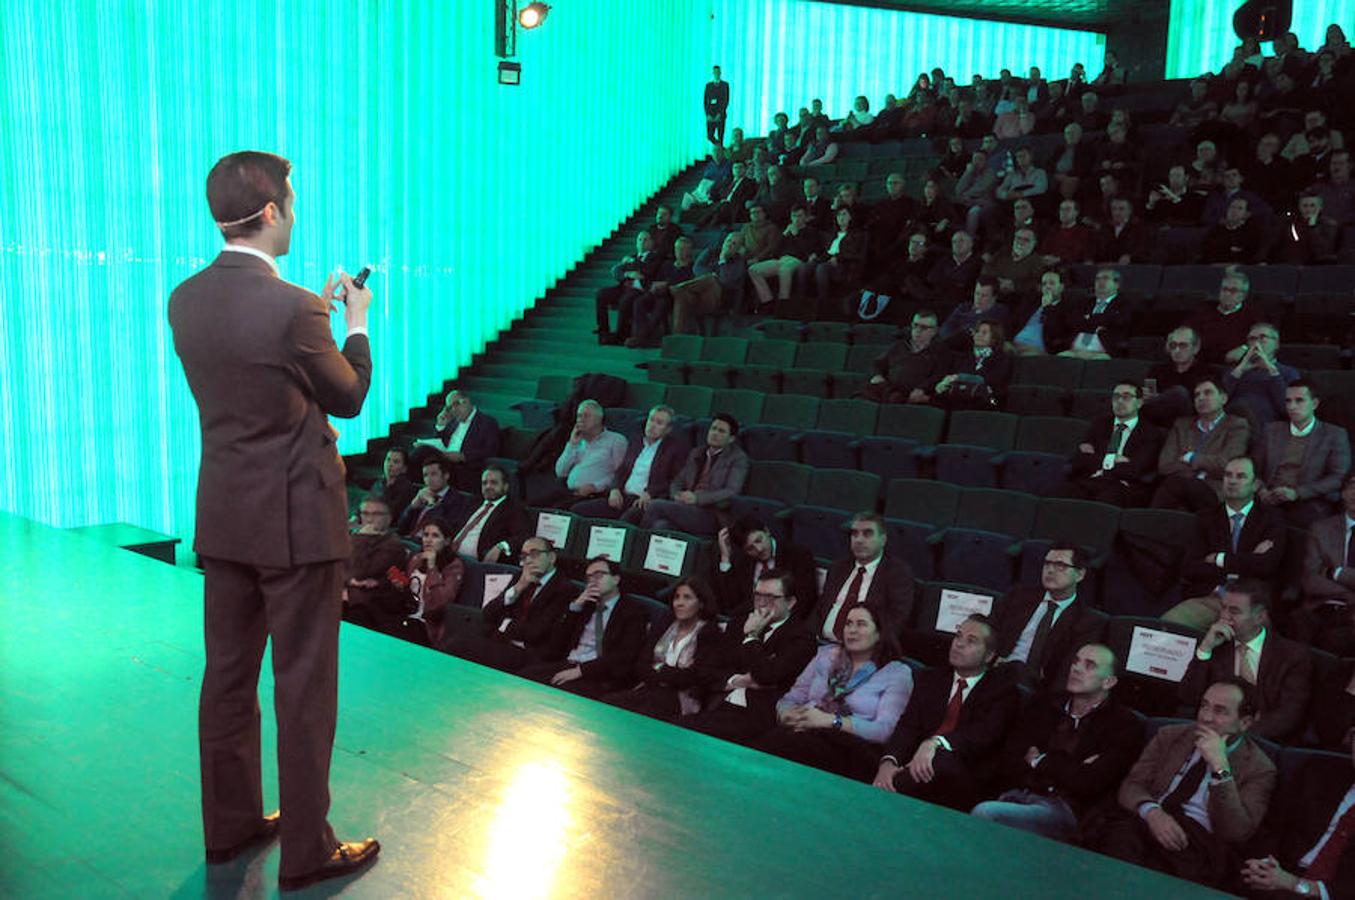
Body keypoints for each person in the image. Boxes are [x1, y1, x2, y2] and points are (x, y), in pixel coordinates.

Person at [168, 151, 378, 887]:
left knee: (226, 677)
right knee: (303, 687)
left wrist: (315, 323)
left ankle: (228, 829)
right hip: (296, 524)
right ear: (268, 214)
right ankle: (307, 851)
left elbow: (262, 384)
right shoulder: (296, 308)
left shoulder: (184, 298)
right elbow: (347, 397)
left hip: (225, 516)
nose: (295, 210)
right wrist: (351, 323)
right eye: (290, 201)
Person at [1088, 678, 1276, 888]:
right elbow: (1131, 786)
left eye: (1220, 711)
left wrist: (1220, 767)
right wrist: (1153, 813)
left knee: (1164, 870)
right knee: (1116, 840)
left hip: (1198, 843)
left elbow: (1236, 832)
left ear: (1245, 722)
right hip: (1147, 821)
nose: (1205, 717)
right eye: (1204, 706)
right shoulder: (1170, 736)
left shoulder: (1260, 768)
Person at [971, 644, 1144, 842]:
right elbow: (1010, 758)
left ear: (1109, 682)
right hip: (1018, 792)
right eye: (1075, 662)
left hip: (1065, 809)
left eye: (1089, 666)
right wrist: (1074, 768)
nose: (1076, 669)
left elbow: (1090, 783)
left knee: (985, 813)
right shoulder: (1043, 703)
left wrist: (1039, 761)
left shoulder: (1124, 725)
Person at [873, 615, 1020, 811]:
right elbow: (907, 726)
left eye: (971, 641)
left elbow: (979, 737)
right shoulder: (929, 679)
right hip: (915, 765)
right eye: (958, 636)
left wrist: (934, 743)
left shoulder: (1003, 692)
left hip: (964, 776)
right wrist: (888, 763)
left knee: (939, 759)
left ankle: (878, 799)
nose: (959, 644)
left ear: (989, 656)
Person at [760, 604, 914, 781]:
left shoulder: (896, 672)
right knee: (768, 741)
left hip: (853, 747)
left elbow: (885, 730)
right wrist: (785, 713)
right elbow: (792, 698)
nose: (852, 630)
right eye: (848, 623)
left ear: (880, 633)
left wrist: (831, 721)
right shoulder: (825, 655)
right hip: (805, 731)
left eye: (861, 624)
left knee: (788, 747)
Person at [685, 569, 816, 743]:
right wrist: (736, 680)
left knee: (696, 736)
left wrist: (752, 636)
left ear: (790, 602)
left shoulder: (801, 638)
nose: (761, 604)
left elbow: (766, 675)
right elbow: (706, 669)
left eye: (770, 598)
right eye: (757, 596)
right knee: (675, 729)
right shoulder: (739, 622)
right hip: (719, 702)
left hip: (756, 715)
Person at [1176, 580, 1312, 744]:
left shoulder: (1292, 655)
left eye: (1234, 611)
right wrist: (1205, 650)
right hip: (1212, 736)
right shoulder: (1215, 646)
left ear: (1260, 617)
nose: (1225, 617)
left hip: (1264, 744)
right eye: (1223, 608)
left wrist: (1241, 739)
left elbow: (1289, 715)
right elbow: (1188, 696)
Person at [1162, 458, 1287, 630]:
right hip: (1211, 597)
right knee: (1166, 627)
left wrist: (1219, 559)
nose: (1232, 481)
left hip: (1249, 603)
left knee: (1253, 642)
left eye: (1241, 476)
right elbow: (1190, 568)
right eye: (1228, 475)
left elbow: (1266, 566)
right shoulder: (1205, 517)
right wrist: (1249, 559)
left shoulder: (1271, 519)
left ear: (1256, 484)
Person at [1239, 738, 1355, 899]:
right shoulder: (1319, 770)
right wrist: (1265, 867)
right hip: (1280, 872)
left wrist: (1295, 884)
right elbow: (1272, 826)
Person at [520, 556, 649, 698]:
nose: (592, 581)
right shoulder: (585, 605)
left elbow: (623, 655)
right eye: (589, 577)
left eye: (598, 575)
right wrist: (575, 607)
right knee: (526, 676)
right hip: (570, 663)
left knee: (560, 693)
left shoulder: (633, 611)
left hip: (600, 673)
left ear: (616, 579)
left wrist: (581, 671)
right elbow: (557, 642)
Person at [444, 536, 574, 671]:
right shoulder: (521, 577)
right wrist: (518, 588)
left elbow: (537, 632)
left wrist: (505, 624)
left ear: (552, 557)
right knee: (455, 643)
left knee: (460, 647)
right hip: (503, 643)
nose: (528, 560)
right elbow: (488, 613)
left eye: (534, 554)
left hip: (530, 654)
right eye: (524, 556)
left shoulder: (564, 589)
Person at [604, 578, 723, 720]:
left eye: (687, 598)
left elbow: (692, 677)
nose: (679, 603)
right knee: (608, 704)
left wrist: (659, 667)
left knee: (642, 715)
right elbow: (641, 665)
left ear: (701, 603)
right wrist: (670, 673)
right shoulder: (666, 623)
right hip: (650, 688)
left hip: (681, 700)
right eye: (677, 597)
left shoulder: (709, 632)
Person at [992, 545, 1107, 690]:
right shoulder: (1018, 596)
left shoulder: (1087, 621)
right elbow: (990, 631)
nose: (1050, 570)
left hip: (1040, 689)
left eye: (1060, 565)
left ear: (1080, 574)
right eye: (1047, 564)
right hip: (997, 674)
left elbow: (1068, 670)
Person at [1255, 381, 1352, 527]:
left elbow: (1338, 477)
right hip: (1269, 497)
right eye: (1288, 401)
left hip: (1309, 500)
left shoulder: (1334, 435)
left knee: (1292, 522)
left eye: (1299, 400)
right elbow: (1253, 467)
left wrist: (1297, 493)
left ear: (1314, 404)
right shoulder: (1271, 430)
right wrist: (1262, 491)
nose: (1292, 406)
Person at [810, 512, 915, 644]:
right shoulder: (839, 567)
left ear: (883, 539)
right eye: (854, 534)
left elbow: (896, 622)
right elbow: (820, 608)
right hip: (820, 644)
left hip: (862, 651)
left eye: (867, 534)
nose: (859, 540)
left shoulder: (897, 573)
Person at [572, 405, 688, 523]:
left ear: (668, 429)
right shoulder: (636, 441)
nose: (652, 425)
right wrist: (615, 489)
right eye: (651, 420)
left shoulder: (674, 449)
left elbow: (673, 481)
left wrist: (651, 493)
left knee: (624, 523)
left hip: (644, 501)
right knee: (578, 510)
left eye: (659, 423)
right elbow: (622, 470)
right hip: (623, 496)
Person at [639, 414, 748, 536]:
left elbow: (731, 491)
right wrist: (677, 495)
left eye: (721, 431)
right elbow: (677, 481)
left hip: (712, 514)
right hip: (685, 507)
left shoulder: (738, 458)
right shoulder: (697, 452)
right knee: (661, 526)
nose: (715, 433)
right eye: (713, 428)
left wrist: (697, 498)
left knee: (655, 505)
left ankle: (637, 546)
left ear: (731, 438)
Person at [1152, 379, 1251, 512]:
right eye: (1197, 395)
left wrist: (1191, 458)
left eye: (1207, 393)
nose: (1201, 398)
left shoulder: (1236, 426)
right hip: (1178, 487)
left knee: (1172, 488)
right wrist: (1204, 466)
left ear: (1223, 398)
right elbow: (1165, 465)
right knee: (1174, 491)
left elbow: (1227, 464)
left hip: (1212, 490)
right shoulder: (1182, 425)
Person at [1061, 384, 1165, 507]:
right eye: (1116, 397)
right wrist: (1112, 459)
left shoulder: (1151, 433)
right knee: (1060, 494)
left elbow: (1134, 471)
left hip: (1122, 486)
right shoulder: (1100, 424)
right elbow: (1080, 460)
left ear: (1139, 403)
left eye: (1126, 397)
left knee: (1105, 501)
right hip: (1091, 480)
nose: (1119, 401)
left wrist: (1098, 460)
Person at [711, 515, 818, 619]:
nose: (759, 549)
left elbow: (805, 599)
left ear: (767, 531)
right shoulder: (743, 561)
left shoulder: (798, 555)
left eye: (759, 540)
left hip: (785, 622)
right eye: (750, 548)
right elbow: (731, 602)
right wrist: (725, 557)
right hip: (750, 620)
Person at [1294, 472, 1355, 654]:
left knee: (1337, 641)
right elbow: (1310, 579)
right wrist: (1347, 593)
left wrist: (1333, 573)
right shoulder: (1321, 528)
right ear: (1343, 493)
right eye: (1352, 486)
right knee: (1295, 626)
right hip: (1321, 605)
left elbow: (1321, 574)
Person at [342, 496, 409, 636]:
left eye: (376, 514)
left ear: (389, 518)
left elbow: (361, 572)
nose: (369, 519)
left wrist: (361, 537)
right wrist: (349, 581)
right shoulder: (355, 539)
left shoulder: (393, 545)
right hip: (354, 595)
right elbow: (339, 569)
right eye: (365, 513)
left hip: (377, 605)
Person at [409, 390, 501, 491]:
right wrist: (440, 426)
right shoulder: (453, 422)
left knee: (421, 452)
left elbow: (491, 450)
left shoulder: (486, 422)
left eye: (456, 404)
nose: (453, 410)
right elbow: (439, 442)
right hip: (444, 459)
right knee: (421, 452)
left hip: (462, 466)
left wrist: (463, 456)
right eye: (450, 408)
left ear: (466, 402)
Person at [545, 399, 628, 507]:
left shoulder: (616, 440)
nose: (581, 420)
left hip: (596, 494)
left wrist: (595, 487)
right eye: (579, 416)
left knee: (562, 510)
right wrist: (572, 444)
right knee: (537, 504)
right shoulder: (577, 441)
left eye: (586, 416)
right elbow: (561, 472)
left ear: (599, 419)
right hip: (569, 492)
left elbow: (620, 474)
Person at [441, 464, 530, 563]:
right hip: (448, 555)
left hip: (475, 563)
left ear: (505, 486)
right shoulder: (473, 502)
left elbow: (522, 536)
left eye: (494, 483)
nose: (488, 486)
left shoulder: (513, 508)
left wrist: (501, 547)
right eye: (484, 483)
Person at [401, 519, 465, 648]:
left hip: (427, 625)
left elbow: (440, 603)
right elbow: (408, 589)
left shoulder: (454, 566)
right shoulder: (417, 558)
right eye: (426, 535)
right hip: (407, 615)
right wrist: (400, 585)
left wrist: (432, 567)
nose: (428, 540)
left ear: (446, 541)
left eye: (435, 536)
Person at [1222, 324, 1301, 427]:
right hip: (1232, 426)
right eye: (1252, 339)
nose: (1256, 342)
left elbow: (1287, 408)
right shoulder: (1235, 371)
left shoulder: (1288, 372)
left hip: (1267, 427)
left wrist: (1272, 371)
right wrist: (1240, 369)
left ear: (1276, 344)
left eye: (1263, 337)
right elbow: (1218, 401)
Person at [861, 310, 946, 403]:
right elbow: (877, 364)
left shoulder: (940, 352)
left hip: (913, 393)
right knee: (866, 392)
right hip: (888, 389)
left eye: (924, 327)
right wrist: (877, 375)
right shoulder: (898, 346)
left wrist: (922, 389)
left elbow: (938, 375)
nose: (917, 330)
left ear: (934, 331)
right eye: (915, 325)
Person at [594, 231, 661, 346]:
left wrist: (633, 263)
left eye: (646, 240)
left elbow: (649, 271)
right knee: (601, 294)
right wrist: (628, 274)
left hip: (640, 290)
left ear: (651, 243)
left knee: (626, 299)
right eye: (639, 240)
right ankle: (603, 331)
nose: (642, 242)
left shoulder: (654, 257)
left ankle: (620, 335)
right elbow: (616, 270)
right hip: (625, 286)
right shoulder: (633, 257)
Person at [931, 319, 1014, 410]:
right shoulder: (963, 358)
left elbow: (989, 380)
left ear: (994, 338)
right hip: (962, 398)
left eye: (984, 333)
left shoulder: (1001, 359)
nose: (979, 335)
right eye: (977, 331)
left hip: (991, 400)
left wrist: (958, 377)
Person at [1142, 327, 1217, 427]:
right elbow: (1150, 404)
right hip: (1158, 422)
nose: (1177, 350)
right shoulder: (1157, 370)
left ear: (1196, 348)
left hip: (1190, 424)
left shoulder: (1208, 372)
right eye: (1173, 346)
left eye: (1183, 345)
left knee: (1179, 393)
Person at [1187, 269, 1264, 366]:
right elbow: (1187, 335)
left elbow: (1262, 338)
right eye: (1224, 289)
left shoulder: (1253, 316)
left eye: (1233, 291)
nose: (1227, 294)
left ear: (1243, 295)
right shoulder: (1202, 311)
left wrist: (1245, 348)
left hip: (1236, 366)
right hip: (1202, 363)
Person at [1058, 267, 1134, 360]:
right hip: (1074, 350)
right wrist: (1098, 323)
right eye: (1097, 279)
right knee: (1059, 359)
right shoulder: (1084, 303)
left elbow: (1118, 321)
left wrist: (1088, 318)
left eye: (1105, 278)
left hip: (1102, 352)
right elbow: (1071, 321)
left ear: (1117, 284)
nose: (1100, 282)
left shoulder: (1123, 304)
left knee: (1099, 362)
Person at [397, 456, 457, 537]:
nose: (428, 479)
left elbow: (444, 530)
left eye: (433, 474)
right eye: (425, 475)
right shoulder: (421, 494)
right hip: (408, 540)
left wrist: (431, 503)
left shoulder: (457, 500)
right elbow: (400, 528)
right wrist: (412, 507)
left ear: (446, 476)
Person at [366, 447, 416, 522]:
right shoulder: (379, 483)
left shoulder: (406, 488)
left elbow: (392, 513)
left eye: (395, 462)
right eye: (388, 460)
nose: (390, 464)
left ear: (404, 468)